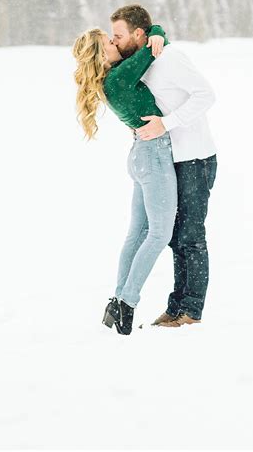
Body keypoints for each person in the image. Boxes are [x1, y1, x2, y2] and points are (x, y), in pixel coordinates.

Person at [111, 4, 217, 327]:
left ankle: (191, 311)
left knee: (191, 236)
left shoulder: (169, 59)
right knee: (174, 236)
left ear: (138, 34)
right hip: (173, 159)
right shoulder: (142, 62)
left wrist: (166, 124)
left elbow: (206, 94)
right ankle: (177, 307)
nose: (114, 42)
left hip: (196, 157)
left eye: (118, 36)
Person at [72, 23, 176, 335]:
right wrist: (156, 29)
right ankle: (127, 303)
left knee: (138, 233)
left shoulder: (110, 80)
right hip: (153, 155)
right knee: (158, 234)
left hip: (141, 155)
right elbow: (154, 46)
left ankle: (117, 299)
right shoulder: (119, 76)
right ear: (102, 54)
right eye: (110, 41)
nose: (116, 42)